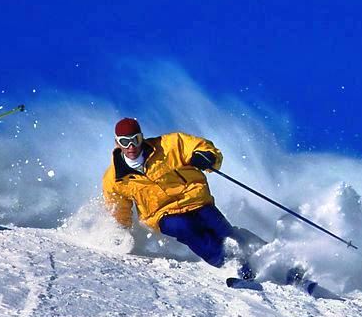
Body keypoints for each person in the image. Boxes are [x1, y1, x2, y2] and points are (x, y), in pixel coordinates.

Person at [102, 117, 265, 278]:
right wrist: (121, 231)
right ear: (117, 143)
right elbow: (119, 208)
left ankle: (265, 255)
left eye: (135, 140)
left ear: (141, 137)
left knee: (223, 232)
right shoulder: (115, 178)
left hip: (196, 200)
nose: (131, 147)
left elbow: (197, 146)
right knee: (186, 228)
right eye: (125, 142)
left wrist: (206, 156)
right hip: (162, 215)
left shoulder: (168, 146)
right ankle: (230, 264)